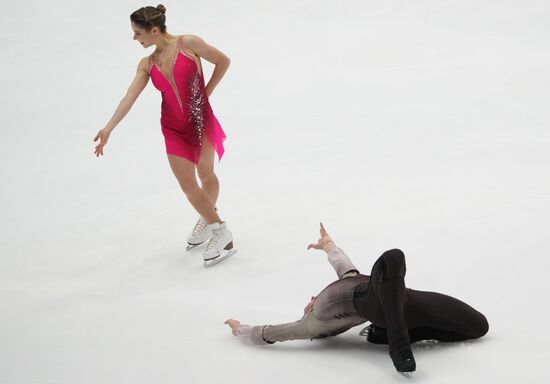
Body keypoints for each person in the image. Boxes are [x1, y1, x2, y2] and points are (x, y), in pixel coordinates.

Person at [225, 223, 489, 373]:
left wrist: (326, 243)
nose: (309, 300)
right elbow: (272, 333)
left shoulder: (345, 280)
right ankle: (399, 344)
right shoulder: (312, 324)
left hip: (400, 300)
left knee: (478, 326)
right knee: (393, 258)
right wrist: (241, 330)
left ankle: (395, 333)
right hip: (371, 302)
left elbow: (340, 261)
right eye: (307, 305)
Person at [93, 4, 235, 266]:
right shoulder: (147, 64)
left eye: (138, 33)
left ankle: (208, 217)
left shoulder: (189, 43)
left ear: (154, 30)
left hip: (200, 122)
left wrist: (208, 92)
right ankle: (219, 228)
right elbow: (129, 97)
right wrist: (109, 127)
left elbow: (223, 61)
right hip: (173, 129)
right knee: (188, 186)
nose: (135, 38)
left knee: (205, 173)